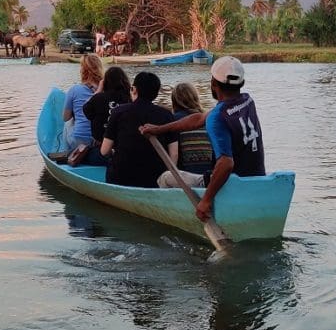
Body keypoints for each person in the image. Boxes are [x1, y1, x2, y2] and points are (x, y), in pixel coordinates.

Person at [140, 56, 265, 221]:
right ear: (241, 83)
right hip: (254, 179)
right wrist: (160, 129)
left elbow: (226, 164)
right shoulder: (247, 101)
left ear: (213, 83)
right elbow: (198, 119)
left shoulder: (218, 117)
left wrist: (206, 200)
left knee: (165, 178)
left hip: (228, 184)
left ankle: (179, 220)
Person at [100, 71, 178, 188]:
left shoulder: (118, 112)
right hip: (156, 179)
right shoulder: (167, 115)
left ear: (134, 89)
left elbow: (104, 151)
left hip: (120, 178)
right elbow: (174, 155)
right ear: (156, 93)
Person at [80, 66, 132, 166]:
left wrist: (99, 90)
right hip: (124, 150)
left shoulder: (98, 98)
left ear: (105, 82)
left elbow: (85, 109)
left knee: (74, 154)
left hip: (101, 151)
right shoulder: (129, 100)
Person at [62, 54, 104, 151]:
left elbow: (65, 117)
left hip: (79, 142)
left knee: (68, 123)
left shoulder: (74, 90)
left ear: (83, 70)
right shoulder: (106, 90)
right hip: (100, 141)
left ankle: (66, 152)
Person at [170, 83, 211, 174]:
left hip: (185, 174)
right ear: (196, 98)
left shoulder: (173, 121)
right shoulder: (208, 119)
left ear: (174, 101)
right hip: (210, 174)